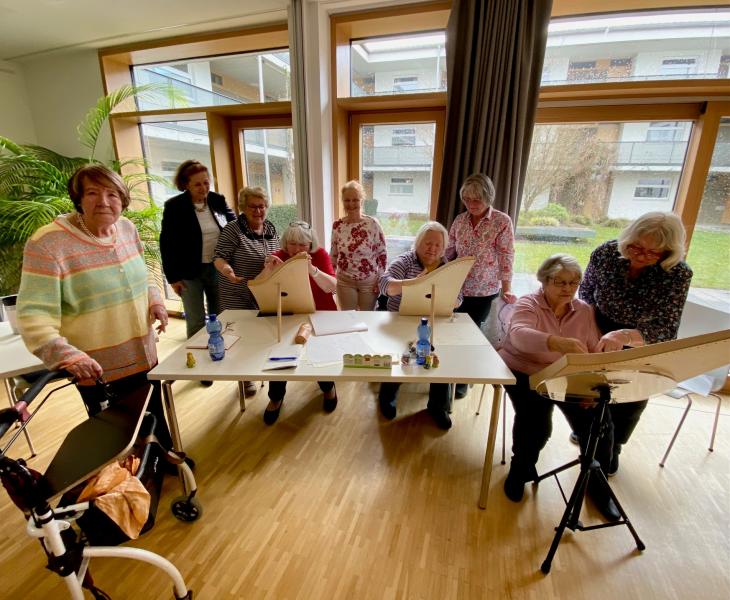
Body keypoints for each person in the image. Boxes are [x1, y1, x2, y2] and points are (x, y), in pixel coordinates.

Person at [16, 165, 174, 455]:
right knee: (116, 437)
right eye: (93, 193)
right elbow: (32, 316)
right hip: (99, 367)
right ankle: (123, 490)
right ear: (78, 199)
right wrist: (67, 356)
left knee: (153, 416)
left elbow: (145, 276)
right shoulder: (48, 243)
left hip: (144, 354)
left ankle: (161, 460)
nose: (104, 201)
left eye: (112, 194)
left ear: (122, 200)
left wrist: (155, 301)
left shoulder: (126, 228)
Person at [498, 254, 625, 520]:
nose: (568, 288)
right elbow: (519, 335)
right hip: (526, 373)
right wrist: (557, 342)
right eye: (560, 282)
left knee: (599, 425)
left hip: (568, 377)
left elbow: (592, 350)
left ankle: (598, 488)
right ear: (544, 281)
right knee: (536, 425)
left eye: (574, 282)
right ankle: (519, 471)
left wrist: (591, 386)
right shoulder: (528, 303)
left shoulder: (584, 310)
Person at [577, 211, 693, 473]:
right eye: (636, 246)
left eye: (652, 252)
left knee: (632, 394)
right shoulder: (606, 253)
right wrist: (589, 330)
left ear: (668, 252)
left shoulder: (677, 274)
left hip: (643, 339)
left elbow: (666, 329)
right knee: (593, 389)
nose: (640, 255)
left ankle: (614, 444)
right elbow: (586, 294)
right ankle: (592, 435)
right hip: (599, 324)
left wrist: (626, 336)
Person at [377, 221, 458, 430]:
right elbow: (385, 286)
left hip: (433, 319)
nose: (432, 248)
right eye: (427, 243)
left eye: (438, 245)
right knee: (400, 352)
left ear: (444, 248)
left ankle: (437, 405)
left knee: (442, 355)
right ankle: (388, 394)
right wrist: (414, 284)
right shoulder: (405, 261)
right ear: (418, 243)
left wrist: (449, 298)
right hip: (401, 317)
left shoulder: (447, 266)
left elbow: (459, 298)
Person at [255, 221, 338, 424]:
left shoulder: (319, 256)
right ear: (285, 243)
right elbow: (257, 287)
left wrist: (312, 270)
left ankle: (328, 388)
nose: (298, 249)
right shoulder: (279, 256)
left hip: (319, 311)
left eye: (303, 244)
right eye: (293, 243)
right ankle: (276, 397)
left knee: (319, 353)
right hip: (288, 312)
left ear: (311, 244)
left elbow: (333, 287)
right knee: (278, 351)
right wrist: (268, 270)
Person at [444, 173, 516, 399]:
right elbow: (449, 251)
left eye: (477, 200)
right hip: (457, 286)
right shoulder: (459, 220)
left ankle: (464, 379)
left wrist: (507, 287)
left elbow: (507, 255)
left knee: (471, 335)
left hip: (484, 290)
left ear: (488, 197)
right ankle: (447, 375)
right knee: (453, 333)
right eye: (467, 199)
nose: (471, 205)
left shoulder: (501, 221)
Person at [213, 186, 280, 398]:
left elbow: (276, 254)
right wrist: (227, 270)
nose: (258, 211)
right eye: (253, 206)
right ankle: (245, 378)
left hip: (261, 291)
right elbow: (219, 257)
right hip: (236, 290)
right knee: (239, 335)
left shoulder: (269, 228)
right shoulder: (233, 229)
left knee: (259, 335)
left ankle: (258, 368)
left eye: (262, 206)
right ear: (243, 207)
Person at [160, 160, 235, 341]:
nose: (204, 188)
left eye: (206, 182)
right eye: (198, 184)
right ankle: (198, 360)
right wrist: (173, 278)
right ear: (186, 184)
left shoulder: (217, 200)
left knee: (221, 315)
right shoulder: (174, 207)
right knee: (196, 321)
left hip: (217, 267)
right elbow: (166, 244)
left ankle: (222, 351)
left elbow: (234, 225)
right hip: (188, 271)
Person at [330, 180, 388, 310]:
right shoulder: (337, 225)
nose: (351, 204)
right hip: (345, 281)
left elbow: (382, 254)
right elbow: (333, 254)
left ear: (361, 201)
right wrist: (331, 277)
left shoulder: (372, 224)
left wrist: (380, 279)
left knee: (367, 319)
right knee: (349, 318)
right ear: (343, 201)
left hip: (369, 282)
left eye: (355, 200)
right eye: (347, 200)